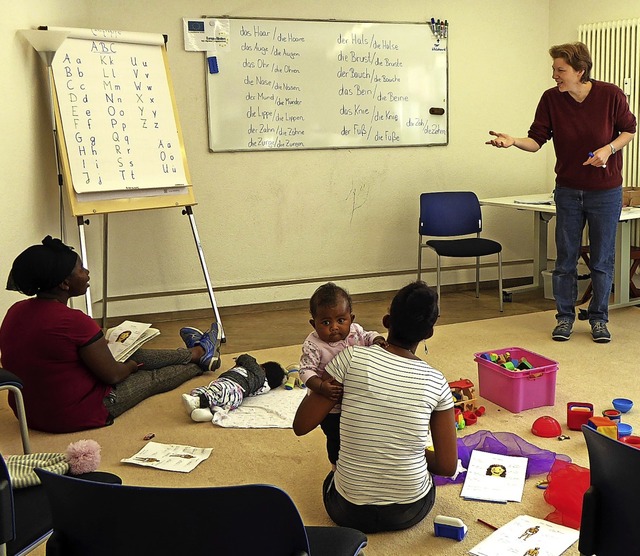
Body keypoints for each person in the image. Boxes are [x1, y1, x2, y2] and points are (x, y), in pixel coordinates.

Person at [486, 41, 636, 344]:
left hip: (605, 192)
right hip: (567, 190)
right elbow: (536, 140)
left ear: (580, 71)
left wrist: (608, 149)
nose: (554, 75)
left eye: (560, 70)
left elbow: (629, 130)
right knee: (565, 259)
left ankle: (599, 319)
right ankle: (564, 317)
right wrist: (512, 141)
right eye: (554, 69)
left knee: (602, 259)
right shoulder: (551, 100)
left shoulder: (610, 95)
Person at [0, 236, 221, 433]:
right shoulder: (74, 321)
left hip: (27, 413)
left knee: (134, 353)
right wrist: (131, 367)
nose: (87, 273)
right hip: (75, 414)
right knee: (148, 378)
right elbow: (113, 376)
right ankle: (200, 362)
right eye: (81, 269)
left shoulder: (15, 311)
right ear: (64, 283)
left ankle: (197, 351)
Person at [293, 281, 458, 534]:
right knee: (425, 481)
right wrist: (405, 453)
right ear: (428, 333)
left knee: (335, 476)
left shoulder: (350, 357)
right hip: (409, 511)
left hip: (346, 510)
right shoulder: (437, 382)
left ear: (386, 320)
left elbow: (301, 425)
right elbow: (447, 467)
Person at [298, 282, 386, 467]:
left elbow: (368, 336)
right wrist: (321, 387)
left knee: (361, 430)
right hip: (331, 406)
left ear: (351, 318)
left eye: (341, 320)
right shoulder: (313, 344)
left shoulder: (355, 332)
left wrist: (377, 339)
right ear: (314, 324)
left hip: (357, 397)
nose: (334, 327)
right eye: (326, 322)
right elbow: (305, 371)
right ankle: (336, 466)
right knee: (336, 437)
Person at [181, 354, 285, 422]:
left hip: (233, 386)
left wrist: (240, 360)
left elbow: (247, 358)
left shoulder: (258, 371)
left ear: (263, 369)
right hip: (234, 397)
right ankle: (206, 412)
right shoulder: (262, 386)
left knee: (214, 391)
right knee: (213, 393)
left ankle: (198, 401)